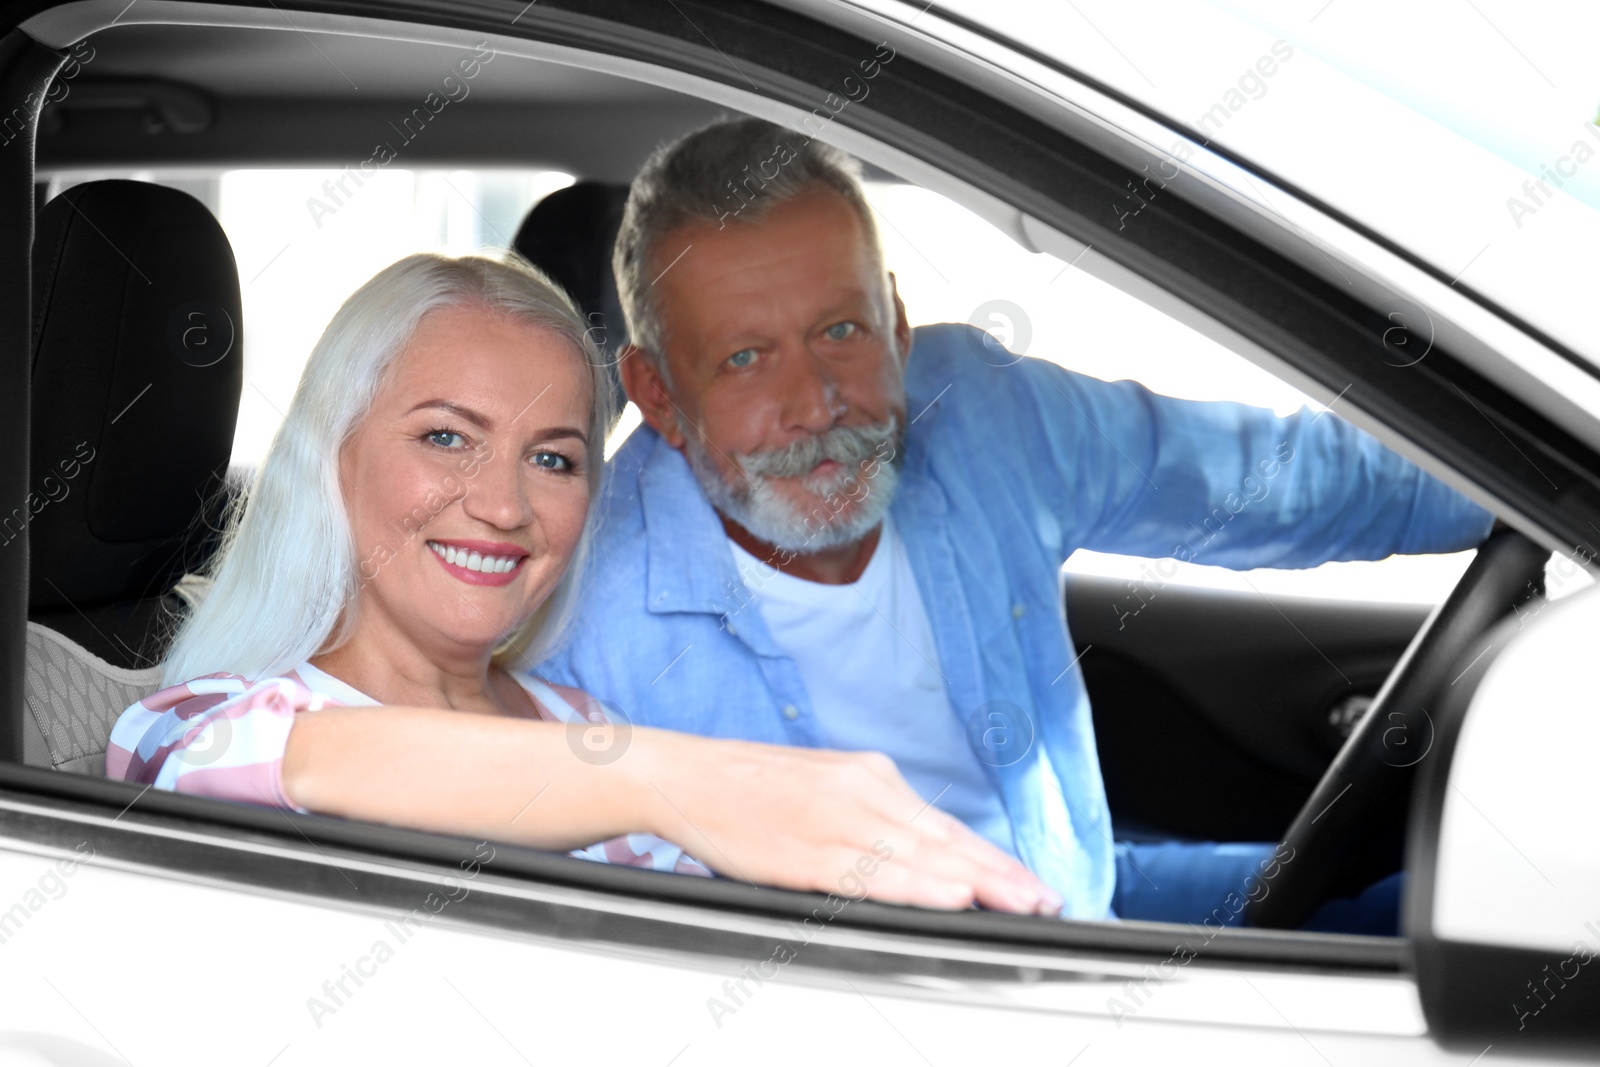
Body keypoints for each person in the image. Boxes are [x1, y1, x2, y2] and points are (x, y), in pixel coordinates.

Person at [535, 118, 1497, 925]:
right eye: (745, 358)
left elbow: (1283, 481)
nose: (816, 403)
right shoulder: (576, 608)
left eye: (841, 331)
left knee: (1453, 907)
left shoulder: (984, 415)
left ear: (898, 328)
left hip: (1068, 895)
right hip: (876, 998)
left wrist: (1522, 473)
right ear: (658, 395)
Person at [106, 251, 1061, 916]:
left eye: (555, 459)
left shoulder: (581, 718)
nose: (503, 505)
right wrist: (688, 779)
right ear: (332, 461)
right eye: (446, 437)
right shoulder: (203, 726)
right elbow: (289, 763)